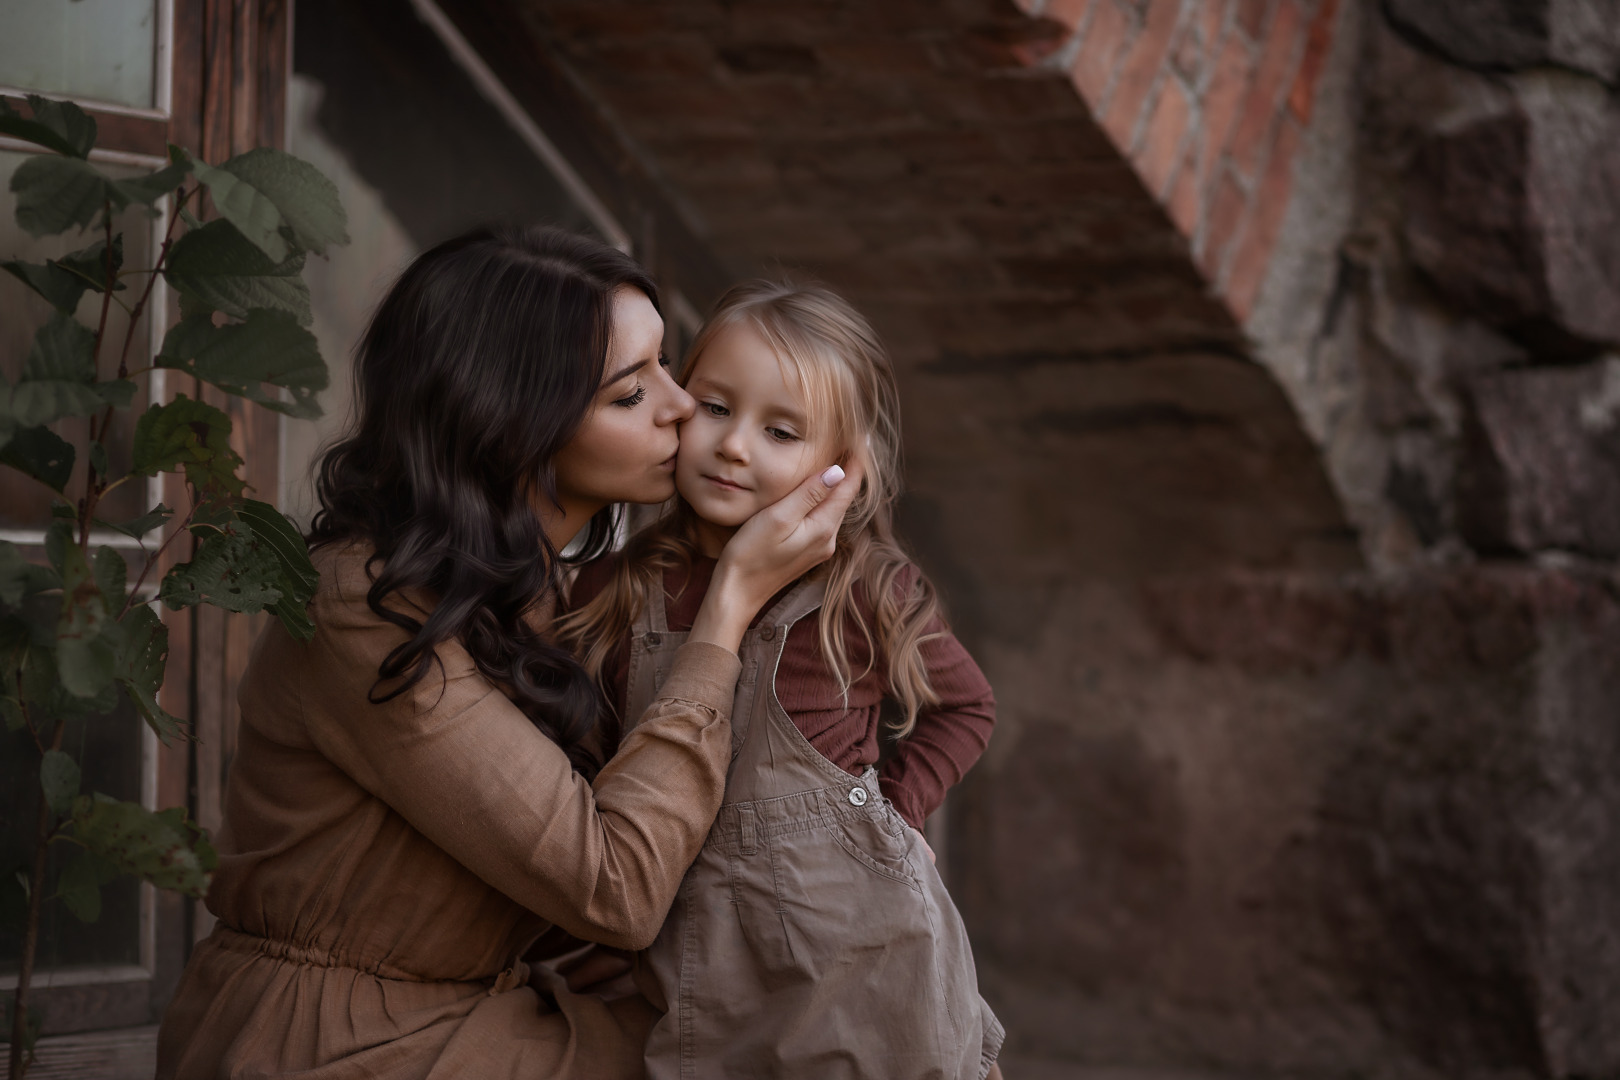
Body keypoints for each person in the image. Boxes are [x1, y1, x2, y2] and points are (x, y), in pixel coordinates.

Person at [155, 227, 859, 1079]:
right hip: (329, 1043)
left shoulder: (540, 594)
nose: (684, 405)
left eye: (668, 365)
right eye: (632, 394)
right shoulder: (364, 611)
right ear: (513, 425)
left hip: (476, 1010)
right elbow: (618, 889)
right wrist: (728, 611)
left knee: (849, 1031)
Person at [560, 279, 1004, 1079]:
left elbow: (965, 706)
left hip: (863, 948)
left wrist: (887, 816)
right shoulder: (619, 590)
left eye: (782, 431)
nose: (735, 447)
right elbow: (593, 772)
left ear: (841, 467)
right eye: (717, 407)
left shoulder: (861, 588)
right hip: (700, 953)